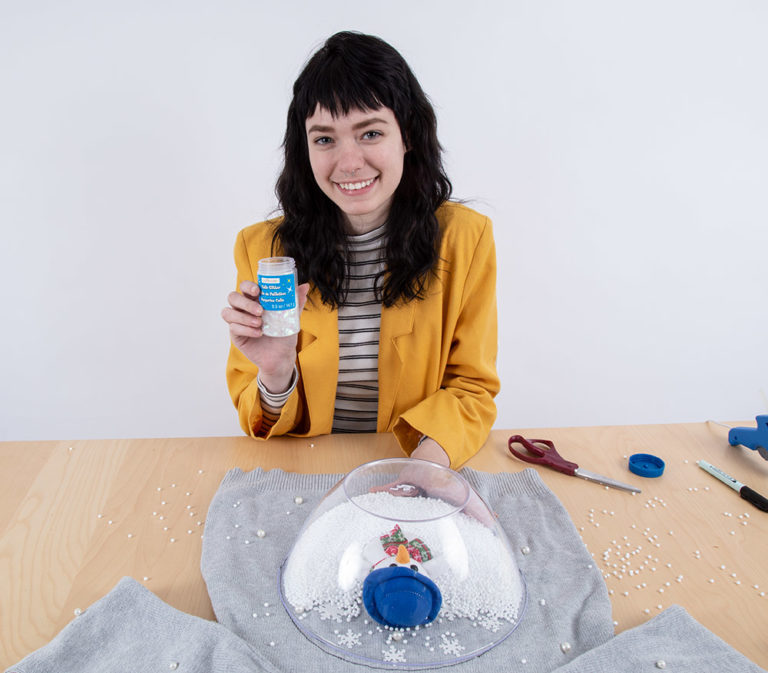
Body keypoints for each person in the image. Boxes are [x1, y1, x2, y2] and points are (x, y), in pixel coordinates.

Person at [221, 31, 499, 469]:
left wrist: (422, 470)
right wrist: (276, 375)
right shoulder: (263, 250)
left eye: (370, 133)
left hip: (413, 463)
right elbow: (259, 422)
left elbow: (472, 388)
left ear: (408, 135)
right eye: (325, 139)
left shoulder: (465, 239)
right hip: (306, 470)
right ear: (304, 149)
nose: (348, 163)